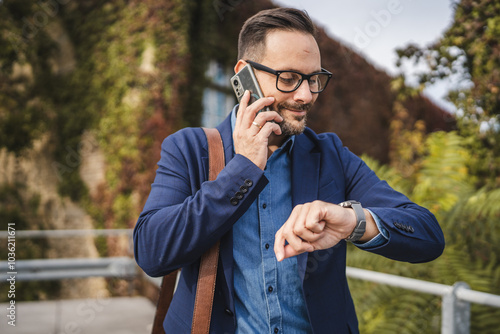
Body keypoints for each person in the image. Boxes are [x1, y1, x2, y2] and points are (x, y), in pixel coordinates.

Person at [133, 7, 445, 334]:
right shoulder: (188, 149)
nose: (305, 95)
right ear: (244, 75)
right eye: (289, 78)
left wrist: (353, 221)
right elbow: (152, 252)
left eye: (314, 79)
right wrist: (242, 171)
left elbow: (427, 233)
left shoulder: (330, 155)